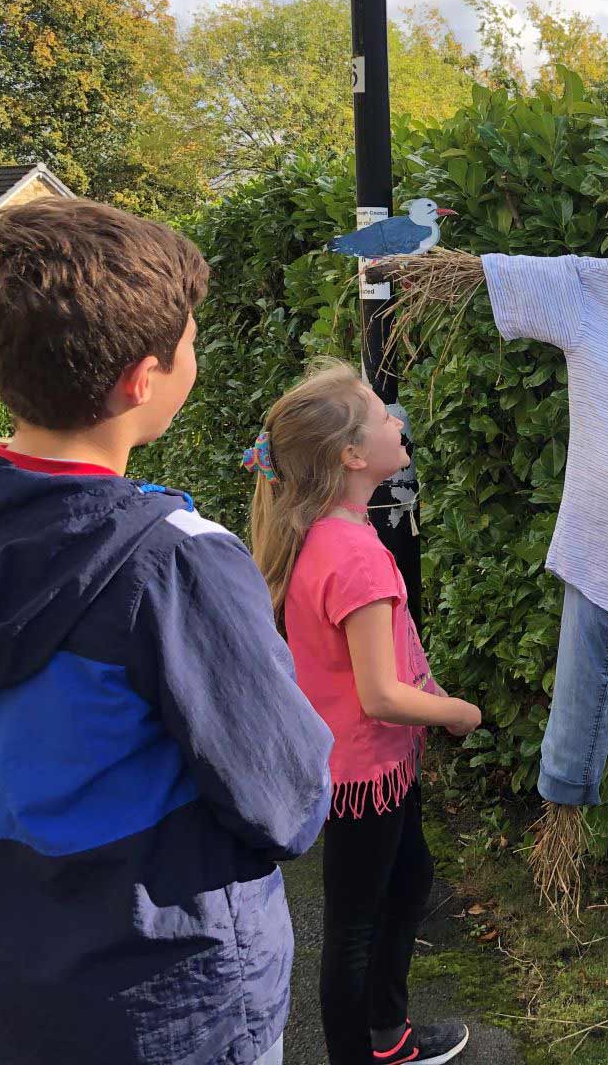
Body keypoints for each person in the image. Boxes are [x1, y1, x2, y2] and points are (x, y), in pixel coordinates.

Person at [0, 197, 333, 1064]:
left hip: (11, 982)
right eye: (190, 340)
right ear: (140, 378)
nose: (196, 353)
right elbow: (285, 802)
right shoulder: (175, 562)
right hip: (177, 1002)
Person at [248, 360, 482, 1065]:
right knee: (353, 927)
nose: (397, 419)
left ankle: (387, 1034)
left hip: (369, 765)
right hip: (363, 772)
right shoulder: (356, 555)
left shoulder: (324, 532)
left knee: (408, 882)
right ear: (353, 456)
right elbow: (381, 694)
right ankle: (365, 1049)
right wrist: (456, 711)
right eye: (383, 414)